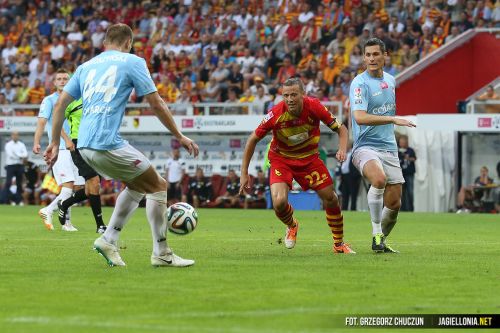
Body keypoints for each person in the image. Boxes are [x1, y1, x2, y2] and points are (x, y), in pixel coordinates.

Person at [44, 23, 199, 268]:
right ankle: (161, 252)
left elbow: (60, 104)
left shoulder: (85, 67)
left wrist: (53, 141)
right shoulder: (132, 61)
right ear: (128, 43)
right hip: (106, 142)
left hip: (83, 146)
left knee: (138, 186)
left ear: (105, 43)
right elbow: (156, 103)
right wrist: (179, 135)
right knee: (158, 185)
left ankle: (109, 239)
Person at [239, 77, 355, 254]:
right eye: (286, 95)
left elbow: (342, 129)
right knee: (278, 202)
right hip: (282, 159)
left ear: (303, 94)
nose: (290, 99)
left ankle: (338, 244)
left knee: (330, 197)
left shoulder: (314, 107)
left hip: (309, 159)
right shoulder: (276, 113)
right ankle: (292, 225)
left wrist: (341, 149)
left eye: (294, 94)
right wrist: (244, 172)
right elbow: (252, 139)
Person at [349, 38, 416, 253]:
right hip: (365, 146)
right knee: (378, 179)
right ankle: (376, 233)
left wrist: (391, 121)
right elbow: (359, 117)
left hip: (389, 147)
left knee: (395, 204)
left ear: (385, 56)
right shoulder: (359, 84)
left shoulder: (391, 80)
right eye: (367, 55)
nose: (371, 59)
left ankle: (380, 241)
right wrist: (393, 119)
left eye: (375, 54)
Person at [34, 69, 84, 232]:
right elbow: (42, 122)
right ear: (54, 83)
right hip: (60, 148)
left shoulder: (77, 99)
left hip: (77, 147)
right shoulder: (49, 100)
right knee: (68, 185)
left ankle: (66, 222)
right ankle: (48, 210)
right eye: (59, 79)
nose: (62, 81)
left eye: (65, 79)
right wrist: (36, 142)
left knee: (77, 187)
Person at [56, 97, 107, 234]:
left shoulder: (93, 100)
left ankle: (64, 204)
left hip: (95, 145)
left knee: (89, 189)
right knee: (94, 182)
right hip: (78, 146)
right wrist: (67, 140)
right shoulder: (69, 102)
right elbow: (57, 122)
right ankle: (100, 225)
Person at [1, 131, 28, 205]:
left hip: (19, 165)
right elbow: (10, 155)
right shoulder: (8, 145)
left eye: (17, 135)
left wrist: (18, 155)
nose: (15, 136)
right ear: (11, 136)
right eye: (14, 135)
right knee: (8, 183)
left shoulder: (21, 144)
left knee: (19, 183)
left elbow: (25, 153)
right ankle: (4, 200)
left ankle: (18, 201)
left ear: (18, 136)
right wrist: (20, 156)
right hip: (10, 166)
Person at [398, 135, 416, 211]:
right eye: (401, 142)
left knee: (410, 192)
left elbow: (414, 159)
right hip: (400, 175)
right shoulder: (397, 151)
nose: (402, 144)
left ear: (407, 142)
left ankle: (410, 209)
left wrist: (408, 158)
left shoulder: (410, 150)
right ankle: (401, 209)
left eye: (403, 142)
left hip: (409, 174)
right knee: (400, 193)